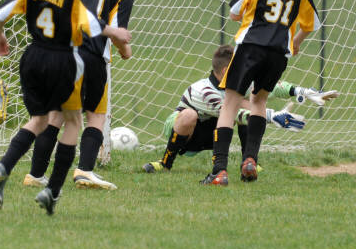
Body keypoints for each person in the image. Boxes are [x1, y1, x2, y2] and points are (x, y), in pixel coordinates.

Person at [0, 0, 131, 215]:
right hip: (64, 58)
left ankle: (5, 165)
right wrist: (115, 33)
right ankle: (52, 190)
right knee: (74, 121)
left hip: (32, 56)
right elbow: (91, 25)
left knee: (40, 119)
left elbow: (2, 12)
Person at [202, 0, 321, 186]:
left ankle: (219, 171)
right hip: (278, 54)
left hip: (250, 47)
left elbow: (234, 14)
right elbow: (311, 24)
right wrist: (296, 42)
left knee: (230, 104)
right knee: (259, 101)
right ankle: (250, 161)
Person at [23, 0, 135, 191]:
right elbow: (117, 32)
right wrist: (125, 51)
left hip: (61, 52)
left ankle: (35, 174)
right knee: (96, 115)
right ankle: (84, 170)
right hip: (92, 56)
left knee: (56, 114)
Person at [141, 45, 337, 174]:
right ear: (226, 71)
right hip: (185, 133)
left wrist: (301, 91)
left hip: (212, 133)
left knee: (245, 103)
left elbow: (270, 87)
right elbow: (230, 113)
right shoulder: (202, 90)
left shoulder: (236, 83)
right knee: (190, 114)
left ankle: (249, 161)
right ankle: (165, 163)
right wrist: (272, 116)